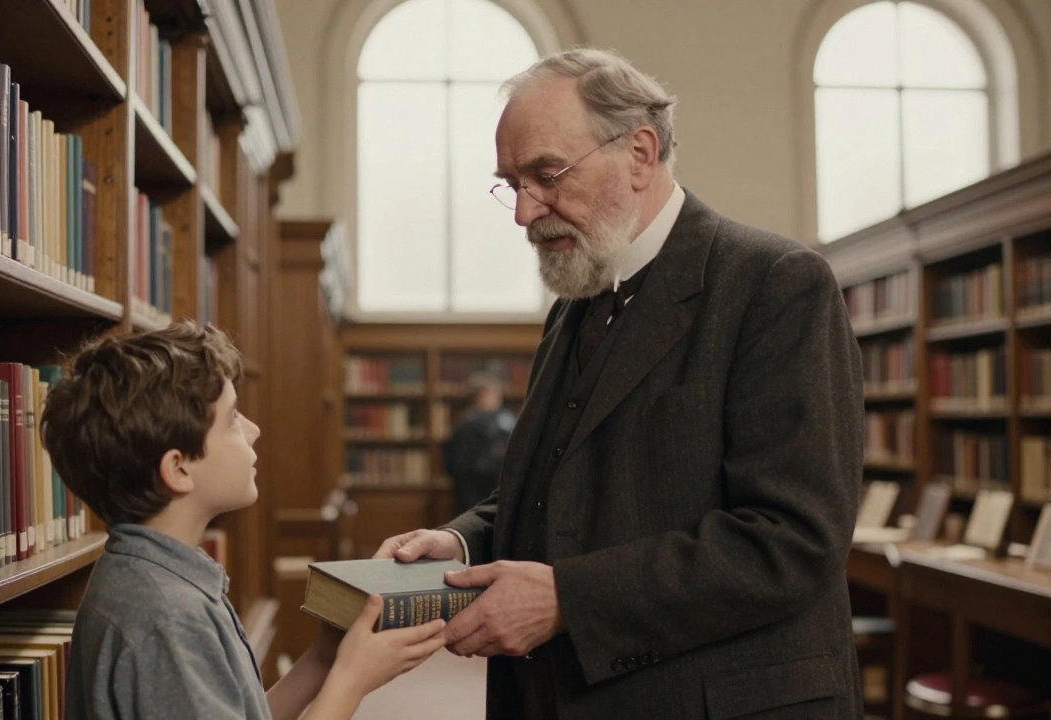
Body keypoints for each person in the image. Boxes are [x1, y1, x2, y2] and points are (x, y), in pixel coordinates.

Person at [376, 47, 864, 719]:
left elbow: (793, 538)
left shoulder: (774, 283)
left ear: (638, 154)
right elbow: (559, 489)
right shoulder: (575, 304)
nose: (524, 212)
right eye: (511, 183)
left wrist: (567, 599)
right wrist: (462, 542)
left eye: (546, 175)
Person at [43, 321, 447, 720]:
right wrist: (352, 678)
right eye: (233, 418)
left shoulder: (159, 577)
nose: (253, 430)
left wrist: (324, 658)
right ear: (179, 468)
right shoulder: (168, 619)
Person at [444, 372, 517, 516]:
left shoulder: (504, 420)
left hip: (498, 490)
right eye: (494, 395)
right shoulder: (467, 425)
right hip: (475, 493)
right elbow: (458, 464)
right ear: (480, 396)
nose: (498, 400)